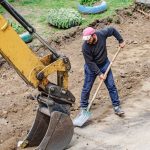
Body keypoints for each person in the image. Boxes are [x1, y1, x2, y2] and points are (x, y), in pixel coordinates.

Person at [73, 26, 125, 126]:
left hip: (105, 64)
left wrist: (121, 40)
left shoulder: (102, 34)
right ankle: (83, 108)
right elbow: (90, 63)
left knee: (111, 86)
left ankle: (117, 106)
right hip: (91, 67)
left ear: (94, 35)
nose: (87, 41)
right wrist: (100, 74)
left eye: (89, 39)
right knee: (86, 88)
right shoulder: (85, 47)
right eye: (86, 40)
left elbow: (113, 30)